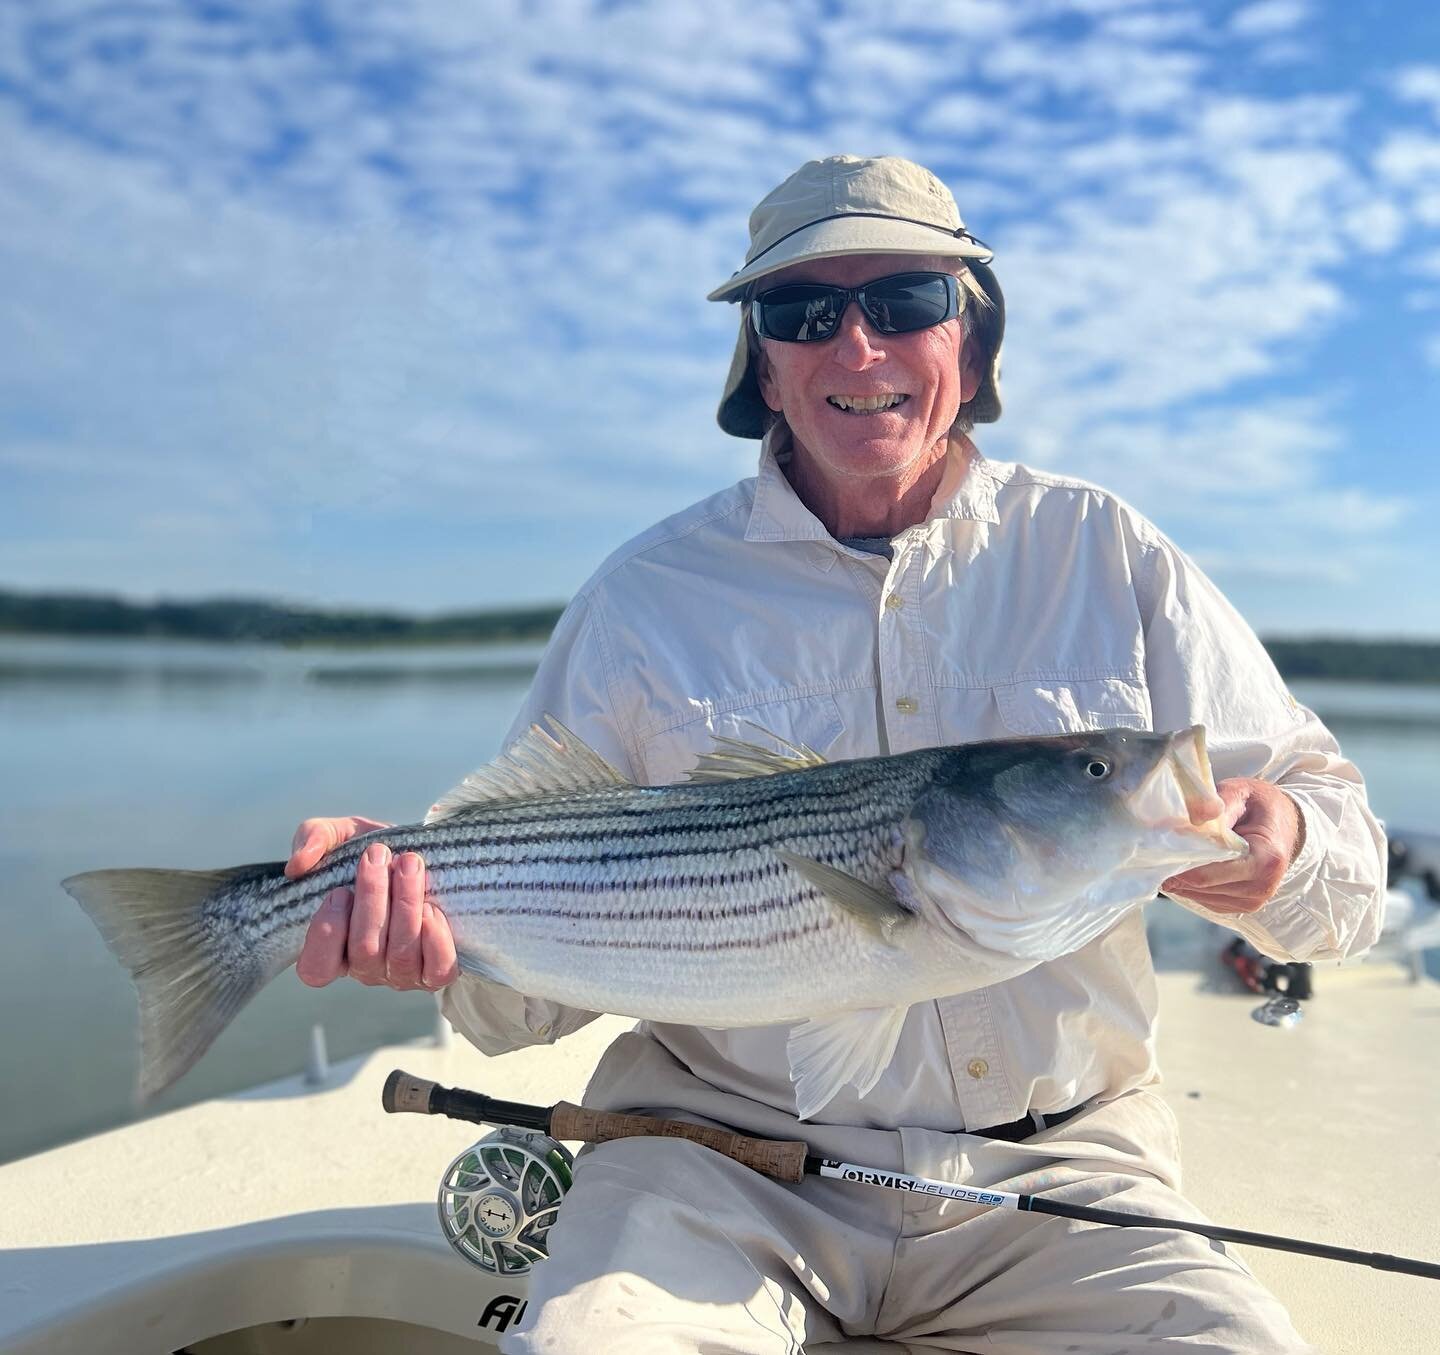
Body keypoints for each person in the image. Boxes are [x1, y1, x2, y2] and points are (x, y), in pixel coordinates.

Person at [285, 156, 1385, 1352]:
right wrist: (416, 923)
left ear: (970, 338)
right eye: (805, 313)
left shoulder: (1106, 553)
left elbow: (1347, 876)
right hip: (707, 1169)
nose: (858, 348)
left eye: (906, 300)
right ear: (762, 359)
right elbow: (517, 1007)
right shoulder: (646, 598)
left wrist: (1286, 848)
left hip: (1067, 1171)